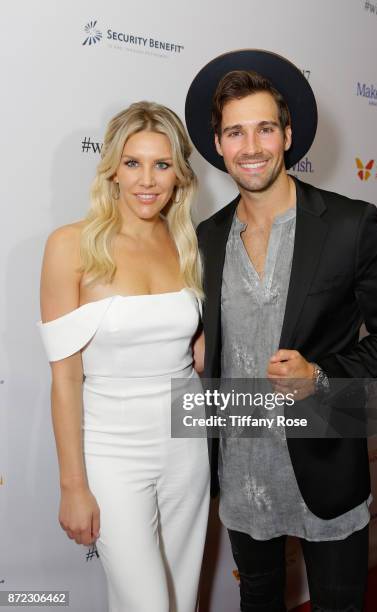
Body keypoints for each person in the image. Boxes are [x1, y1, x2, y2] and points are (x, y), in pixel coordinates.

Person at [184, 50, 377, 611]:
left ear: (288, 135)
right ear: (218, 144)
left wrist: (322, 374)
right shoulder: (205, 238)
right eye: (235, 132)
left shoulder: (349, 222)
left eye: (264, 128)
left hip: (327, 460)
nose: (251, 147)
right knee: (260, 597)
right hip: (241, 469)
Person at [37, 101, 210, 612]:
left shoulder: (186, 243)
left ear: (179, 173)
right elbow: (65, 379)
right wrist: (73, 485)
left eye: (161, 165)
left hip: (188, 443)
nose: (147, 181)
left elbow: (194, 346)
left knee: (180, 596)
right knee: (148, 605)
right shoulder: (70, 246)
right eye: (133, 163)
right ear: (112, 168)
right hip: (112, 451)